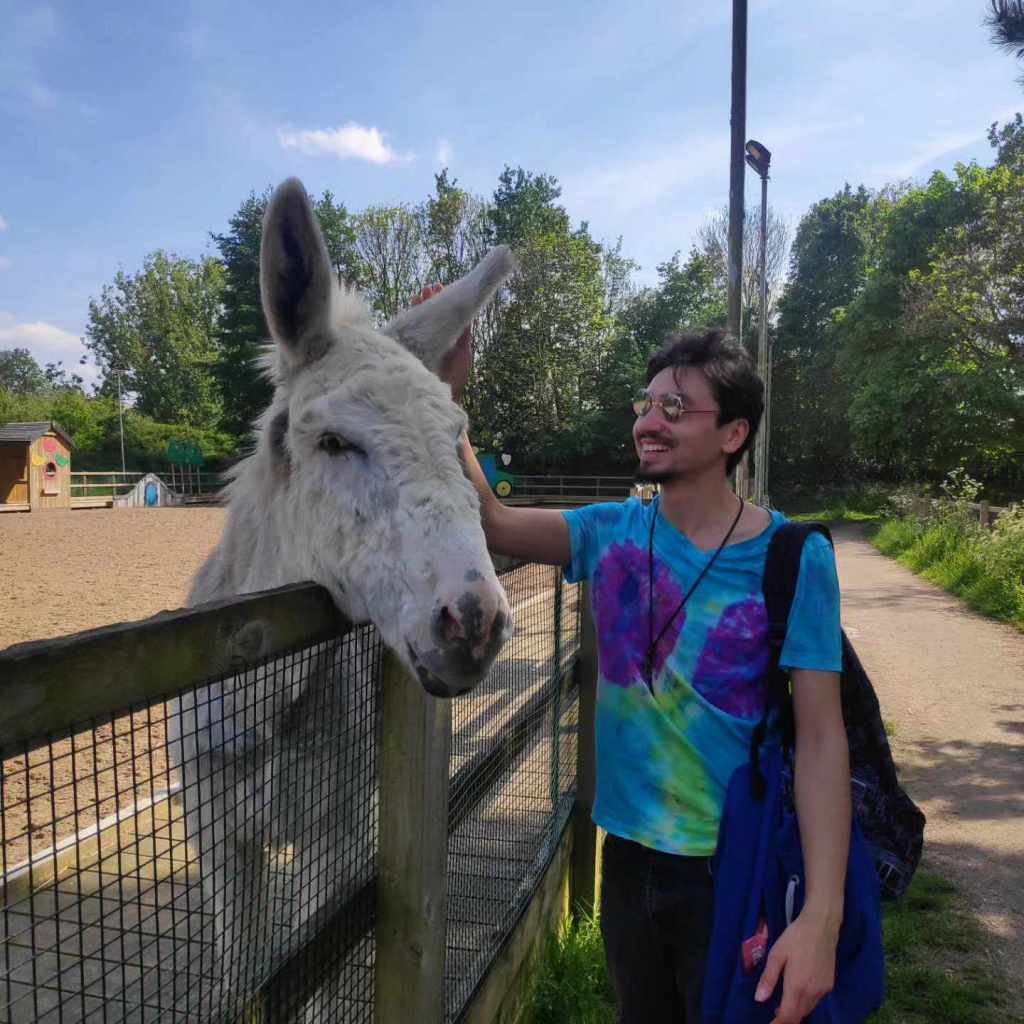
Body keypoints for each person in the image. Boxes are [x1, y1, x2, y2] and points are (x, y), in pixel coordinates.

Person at [416, 286, 850, 1024]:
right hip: (625, 859)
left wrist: (822, 919)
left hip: (733, 868)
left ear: (734, 433)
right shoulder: (610, 530)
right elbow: (492, 521)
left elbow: (820, 740)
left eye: (675, 408)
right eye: (645, 404)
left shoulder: (793, 557)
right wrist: (444, 394)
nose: (648, 421)